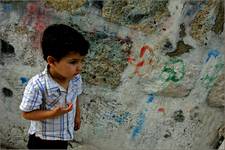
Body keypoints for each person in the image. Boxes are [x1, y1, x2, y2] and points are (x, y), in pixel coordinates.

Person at [19, 24, 90, 149]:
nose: (80, 67)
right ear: (52, 61)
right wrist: (52, 113)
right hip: (42, 140)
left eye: (82, 61)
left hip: (63, 136)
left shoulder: (75, 78)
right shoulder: (37, 85)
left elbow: (75, 96)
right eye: (73, 62)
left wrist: (77, 115)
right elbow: (27, 114)